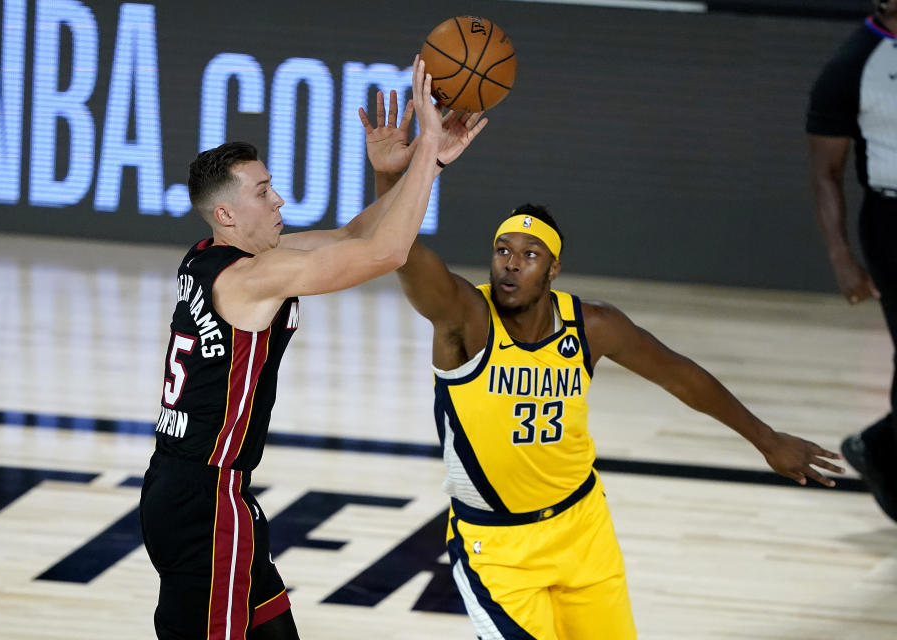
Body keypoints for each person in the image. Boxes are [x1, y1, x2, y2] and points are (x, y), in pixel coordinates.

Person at [360, 96, 845, 639]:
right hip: (496, 549)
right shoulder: (465, 320)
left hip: (582, 530)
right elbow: (398, 251)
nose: (511, 264)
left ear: (554, 269)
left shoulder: (592, 325)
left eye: (528, 254)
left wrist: (766, 438)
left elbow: (679, 375)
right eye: (502, 250)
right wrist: (392, 180)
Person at [138, 57, 487, 640]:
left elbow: (357, 237)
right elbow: (385, 255)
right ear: (226, 212)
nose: (278, 200)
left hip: (205, 492)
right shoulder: (249, 280)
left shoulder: (216, 256)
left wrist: (408, 171)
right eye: (263, 191)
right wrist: (427, 147)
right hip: (205, 503)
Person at [806, 0, 897, 523]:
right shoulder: (851, 66)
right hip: (892, 224)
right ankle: (881, 450)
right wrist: (842, 258)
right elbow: (826, 173)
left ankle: (878, 446)